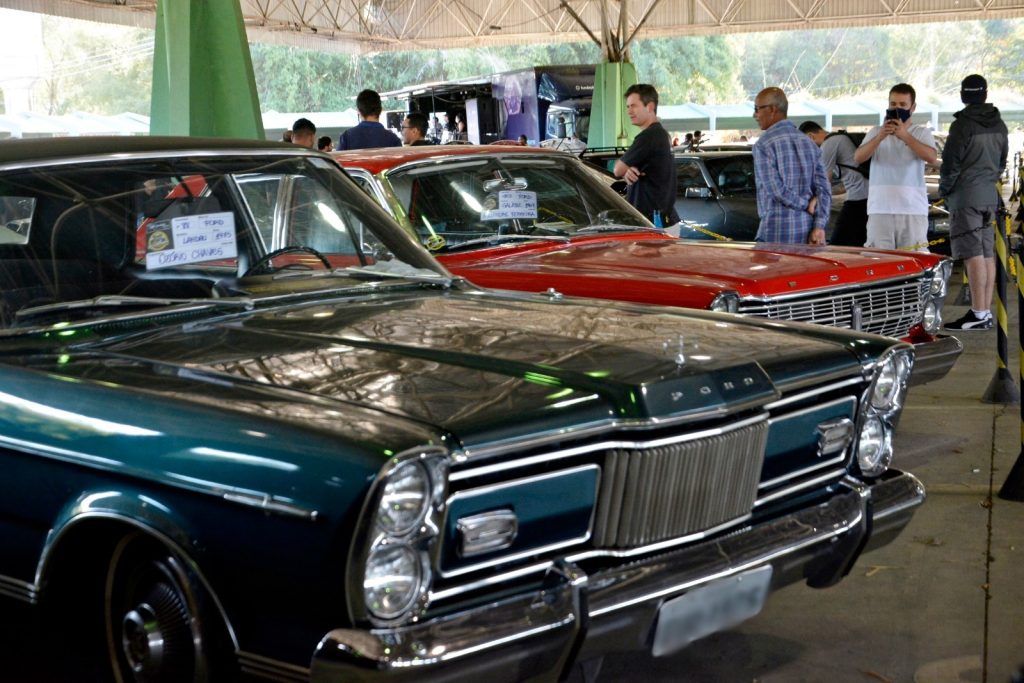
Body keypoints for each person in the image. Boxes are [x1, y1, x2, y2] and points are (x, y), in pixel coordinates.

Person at [941, 74, 1009, 331]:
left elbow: (951, 165)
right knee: (987, 253)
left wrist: (945, 192)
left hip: (965, 197)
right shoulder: (999, 124)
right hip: (989, 196)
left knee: (972, 254)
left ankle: (978, 313)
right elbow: (1001, 162)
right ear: (985, 93)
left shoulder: (962, 125)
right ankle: (984, 311)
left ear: (963, 95)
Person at [853, 83, 937, 252]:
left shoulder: (921, 133)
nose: (897, 108)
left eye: (902, 105)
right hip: (880, 208)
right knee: (879, 259)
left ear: (913, 107)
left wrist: (905, 136)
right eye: (893, 104)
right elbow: (858, 158)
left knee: (913, 257)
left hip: (912, 209)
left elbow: (931, 157)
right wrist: (880, 137)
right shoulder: (876, 132)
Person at [751, 87, 831, 244]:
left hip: (776, 232)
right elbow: (824, 189)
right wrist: (819, 226)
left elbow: (776, 190)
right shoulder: (809, 143)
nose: (755, 115)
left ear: (772, 109)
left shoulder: (763, 145)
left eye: (757, 109)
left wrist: (804, 204)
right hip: (808, 233)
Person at [613, 83, 679, 227]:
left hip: (653, 223)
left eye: (634, 106)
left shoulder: (649, 136)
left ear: (650, 107)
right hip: (664, 218)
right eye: (627, 107)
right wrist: (627, 170)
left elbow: (617, 169)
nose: (629, 111)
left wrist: (624, 169)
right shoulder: (662, 134)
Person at [799, 121, 868, 246]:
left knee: (837, 245)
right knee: (857, 245)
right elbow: (843, 185)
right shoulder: (840, 138)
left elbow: (824, 181)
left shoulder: (829, 143)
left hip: (858, 200)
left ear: (810, 136)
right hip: (867, 198)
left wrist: (813, 201)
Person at [337, 89, 401, 150]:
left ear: (359, 112)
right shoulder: (394, 140)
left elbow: (336, 157)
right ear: (381, 110)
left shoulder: (346, 138)